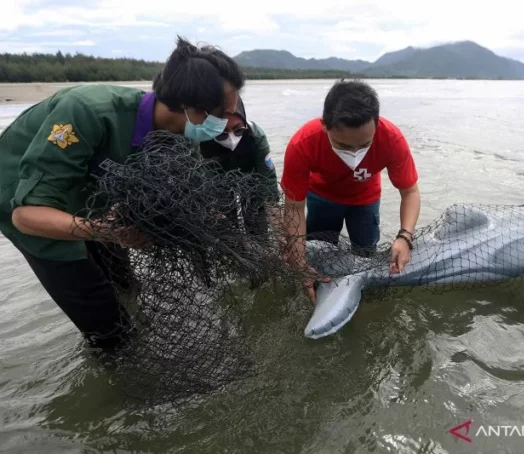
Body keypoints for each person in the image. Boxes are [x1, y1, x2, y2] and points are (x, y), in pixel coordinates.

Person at [0, 36, 245, 350]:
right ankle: (117, 360)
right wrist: (107, 231)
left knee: (126, 285)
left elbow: (188, 195)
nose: (224, 125)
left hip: (95, 202)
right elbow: (26, 215)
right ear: (188, 106)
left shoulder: (182, 134)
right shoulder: (89, 111)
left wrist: (212, 224)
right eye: (221, 115)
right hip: (27, 204)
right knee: (102, 316)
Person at [280, 79, 421, 304]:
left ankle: (363, 301)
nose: (355, 154)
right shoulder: (303, 143)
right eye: (344, 146)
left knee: (366, 257)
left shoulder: (391, 139)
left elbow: (410, 192)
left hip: (365, 199)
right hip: (322, 196)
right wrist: (299, 262)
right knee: (316, 256)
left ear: (377, 124)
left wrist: (405, 236)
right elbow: (294, 207)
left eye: (365, 144)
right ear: (325, 125)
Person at [199, 95, 280, 288]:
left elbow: (268, 184)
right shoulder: (201, 141)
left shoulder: (255, 136)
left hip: (249, 180)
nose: (232, 139)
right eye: (221, 133)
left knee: (257, 226)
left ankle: (261, 276)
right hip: (217, 181)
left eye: (238, 130)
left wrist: (280, 232)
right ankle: (235, 271)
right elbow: (203, 186)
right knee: (226, 232)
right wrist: (213, 212)